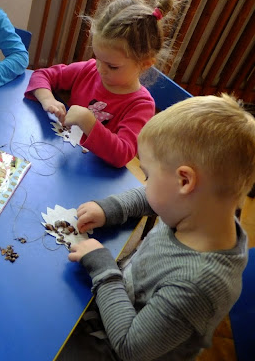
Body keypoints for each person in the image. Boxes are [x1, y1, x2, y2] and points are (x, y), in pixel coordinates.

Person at [59, 94, 255, 361]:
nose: (145, 183)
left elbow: (129, 347)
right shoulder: (205, 210)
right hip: (121, 292)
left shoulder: (197, 285)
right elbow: (156, 196)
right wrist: (111, 208)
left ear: (184, 181)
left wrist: (103, 268)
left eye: (148, 175)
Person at [25, 0, 177, 167]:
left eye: (112, 66)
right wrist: (48, 99)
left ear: (145, 64)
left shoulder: (141, 105)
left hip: (94, 177)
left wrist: (87, 121)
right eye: (97, 57)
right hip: (61, 159)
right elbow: (42, 75)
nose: (100, 69)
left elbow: (123, 154)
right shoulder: (89, 70)